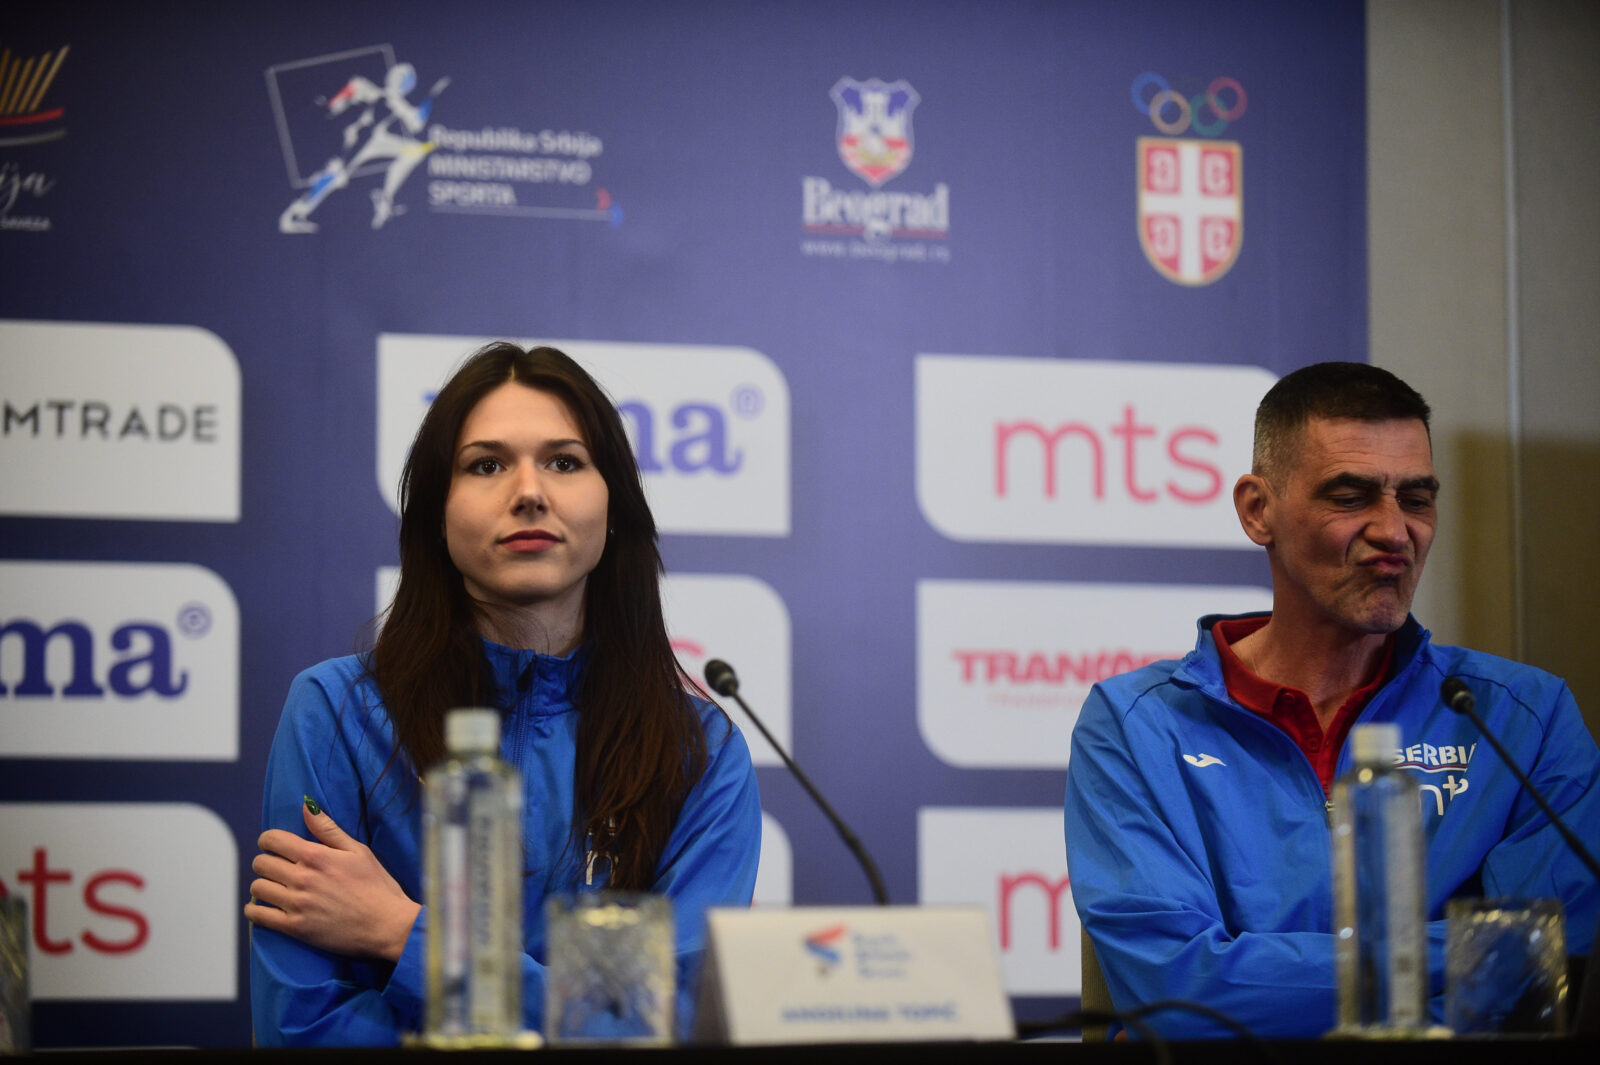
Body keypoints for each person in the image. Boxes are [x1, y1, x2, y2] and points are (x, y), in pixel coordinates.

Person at [1063, 361, 1600, 1039]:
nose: (1395, 531)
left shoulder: (1525, 717)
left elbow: (1542, 971)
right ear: (1258, 511)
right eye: (1351, 496)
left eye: (1417, 497)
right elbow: (1180, 991)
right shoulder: (1136, 724)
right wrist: (1453, 963)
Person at [246, 343, 762, 1046]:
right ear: (437, 512)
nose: (529, 491)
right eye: (486, 464)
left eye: (564, 461)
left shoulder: (699, 749)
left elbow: (672, 1026)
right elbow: (300, 1026)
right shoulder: (332, 713)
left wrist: (405, 931)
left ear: (613, 509)